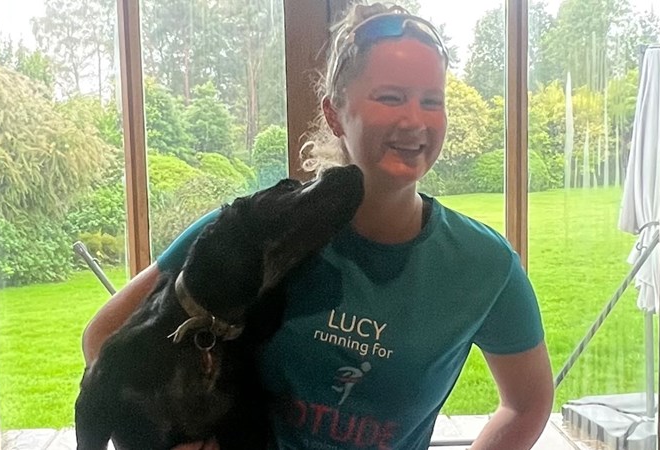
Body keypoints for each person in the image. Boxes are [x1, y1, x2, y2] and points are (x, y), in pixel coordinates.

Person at [82, 2, 553, 449]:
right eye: (390, 98)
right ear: (334, 113)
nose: (415, 120)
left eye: (432, 101)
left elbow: (527, 404)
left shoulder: (483, 264)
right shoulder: (261, 234)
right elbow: (103, 337)